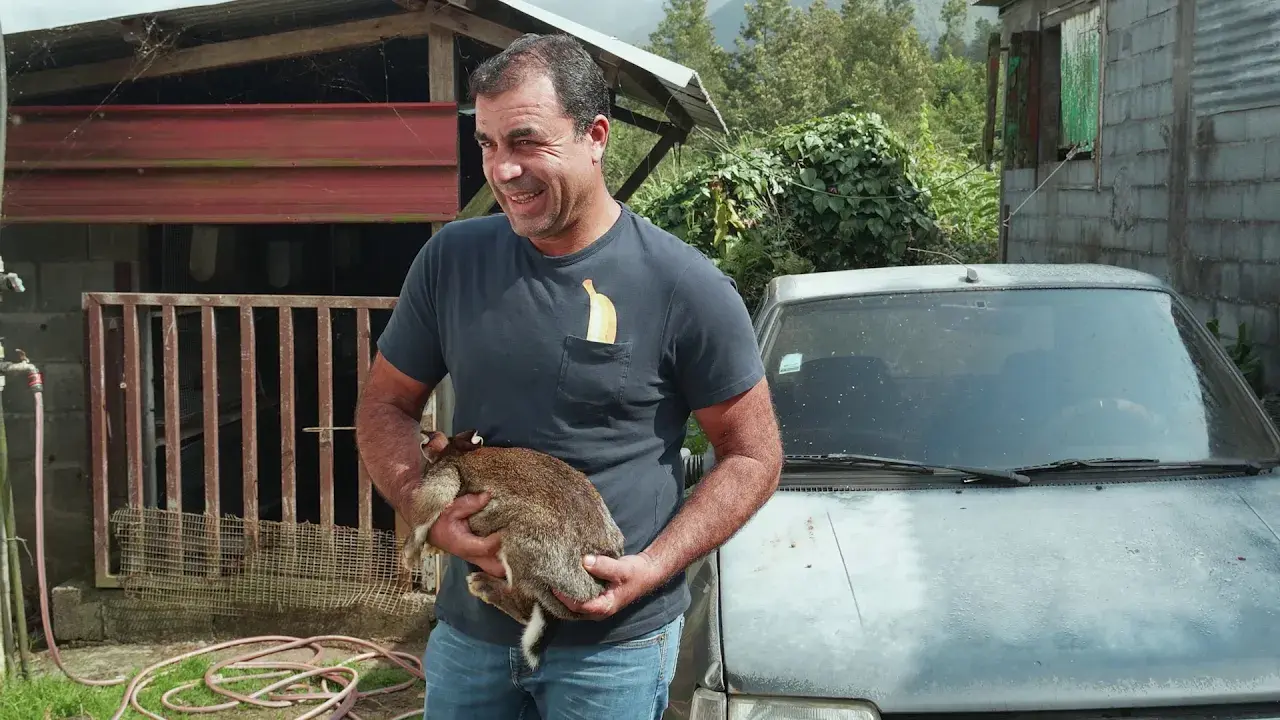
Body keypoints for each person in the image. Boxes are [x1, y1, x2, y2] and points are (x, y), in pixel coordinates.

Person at [354, 32, 783, 720]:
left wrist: (654, 566)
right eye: (488, 145)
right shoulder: (451, 261)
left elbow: (754, 455)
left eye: (526, 142)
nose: (503, 170)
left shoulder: (683, 285)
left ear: (597, 136)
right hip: (471, 634)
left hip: (613, 650)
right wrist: (421, 510)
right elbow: (385, 408)